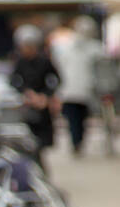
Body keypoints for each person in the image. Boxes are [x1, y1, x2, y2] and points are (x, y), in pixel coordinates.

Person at [51, 15, 104, 155]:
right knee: (77, 119)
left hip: (77, 91)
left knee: (77, 120)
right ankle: (77, 142)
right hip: (75, 90)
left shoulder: (94, 49)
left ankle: (77, 142)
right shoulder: (93, 48)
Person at [10, 25, 59, 167]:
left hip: (42, 106)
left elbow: (55, 79)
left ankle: (39, 165)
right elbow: (13, 80)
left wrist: (46, 96)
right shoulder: (20, 61)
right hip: (27, 105)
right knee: (28, 138)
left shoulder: (44, 61)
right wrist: (25, 92)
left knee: (42, 141)